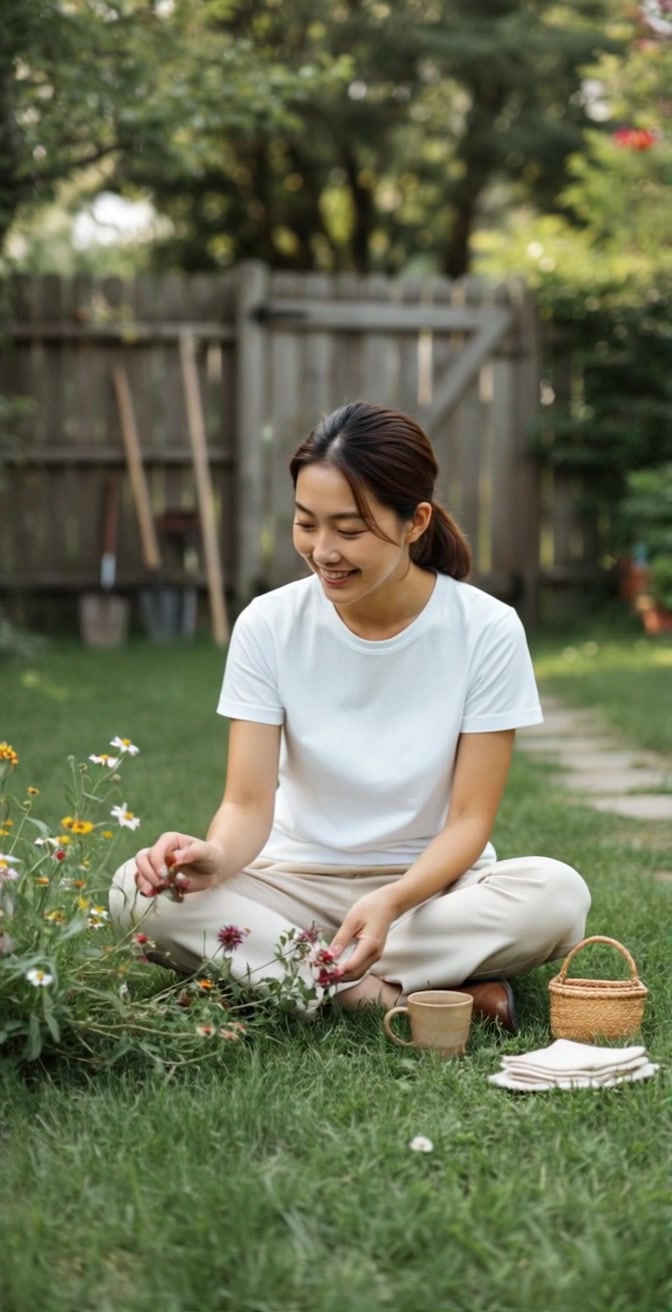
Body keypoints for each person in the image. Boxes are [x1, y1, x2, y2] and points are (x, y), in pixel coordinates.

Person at [110, 402, 591, 1031]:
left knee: (557, 895)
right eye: (306, 524)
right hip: (292, 884)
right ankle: (384, 1001)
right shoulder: (269, 624)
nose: (322, 550)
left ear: (415, 521)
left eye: (350, 529)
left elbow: (469, 821)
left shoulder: (487, 629)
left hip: (428, 893)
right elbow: (248, 803)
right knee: (132, 894)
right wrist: (216, 857)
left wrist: (392, 900)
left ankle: (290, 975)